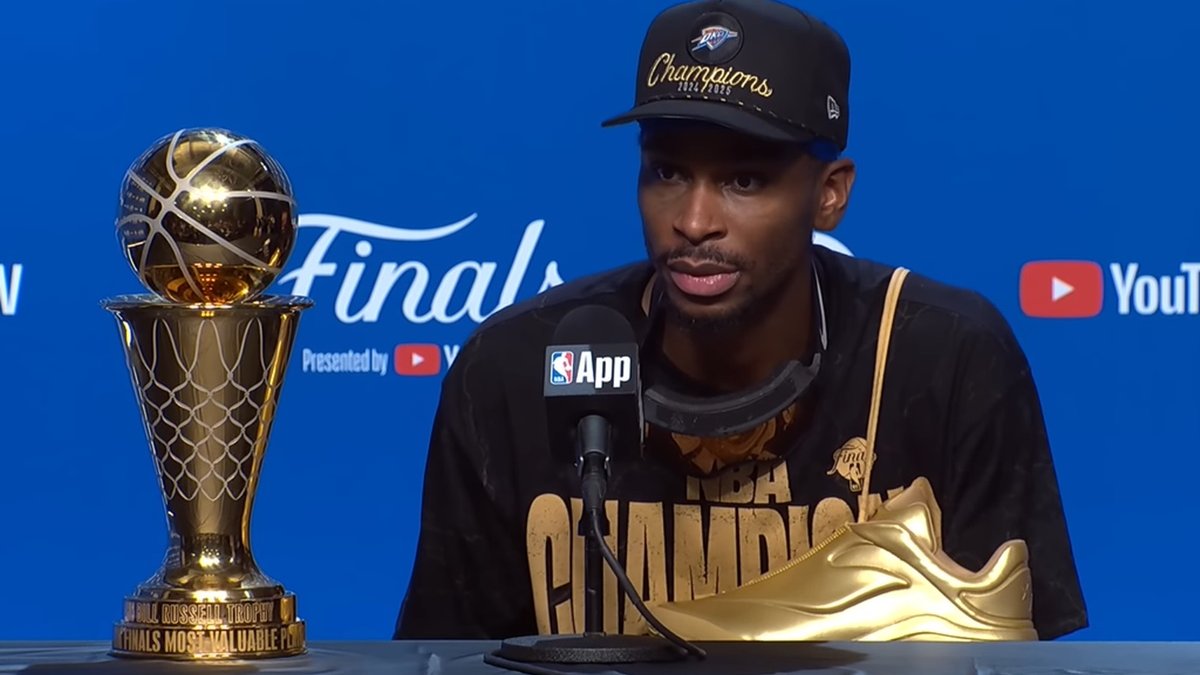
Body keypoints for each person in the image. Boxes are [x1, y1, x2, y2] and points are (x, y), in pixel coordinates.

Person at [394, 0, 1087, 641]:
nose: (693, 222)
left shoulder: (946, 358)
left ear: (830, 194)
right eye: (667, 173)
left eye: (744, 180)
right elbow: (445, 659)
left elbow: (1012, 651)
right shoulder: (515, 367)